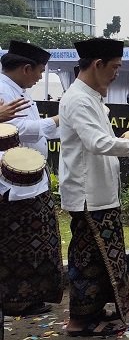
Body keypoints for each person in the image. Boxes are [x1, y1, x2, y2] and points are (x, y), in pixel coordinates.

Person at [59, 38, 129, 336]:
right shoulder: (78, 99)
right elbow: (98, 143)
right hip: (88, 195)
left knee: (101, 260)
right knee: (88, 261)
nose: (115, 74)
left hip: (101, 193)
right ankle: (80, 320)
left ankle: (94, 313)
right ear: (97, 65)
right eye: (114, 68)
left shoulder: (92, 96)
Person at [0, 41, 65, 319]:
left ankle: (31, 296)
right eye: (39, 71)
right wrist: (58, 120)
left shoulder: (16, 90)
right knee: (20, 245)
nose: (40, 77)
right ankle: (17, 299)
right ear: (26, 68)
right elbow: (18, 130)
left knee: (37, 241)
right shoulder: (3, 90)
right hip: (13, 183)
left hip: (30, 180)